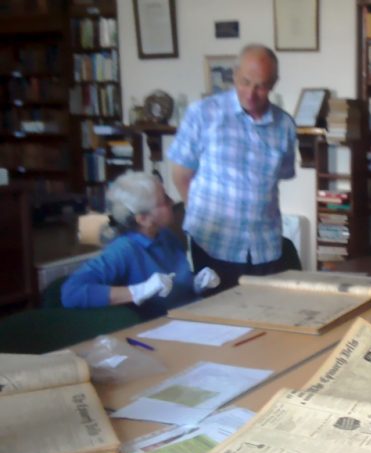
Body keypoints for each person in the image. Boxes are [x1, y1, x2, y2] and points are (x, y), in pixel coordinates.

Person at [168, 43, 300, 291]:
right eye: (245, 82)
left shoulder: (284, 125)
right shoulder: (202, 114)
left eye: (260, 86)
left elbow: (280, 176)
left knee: (266, 316)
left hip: (265, 246)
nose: (251, 93)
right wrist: (198, 214)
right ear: (234, 75)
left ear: (273, 84)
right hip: (214, 242)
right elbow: (181, 174)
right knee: (219, 322)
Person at [61, 171, 220, 319]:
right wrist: (138, 291)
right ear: (143, 219)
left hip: (191, 317)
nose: (172, 201)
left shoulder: (166, 236)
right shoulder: (123, 250)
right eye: (164, 200)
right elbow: (71, 293)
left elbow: (172, 287)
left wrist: (195, 283)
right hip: (159, 331)